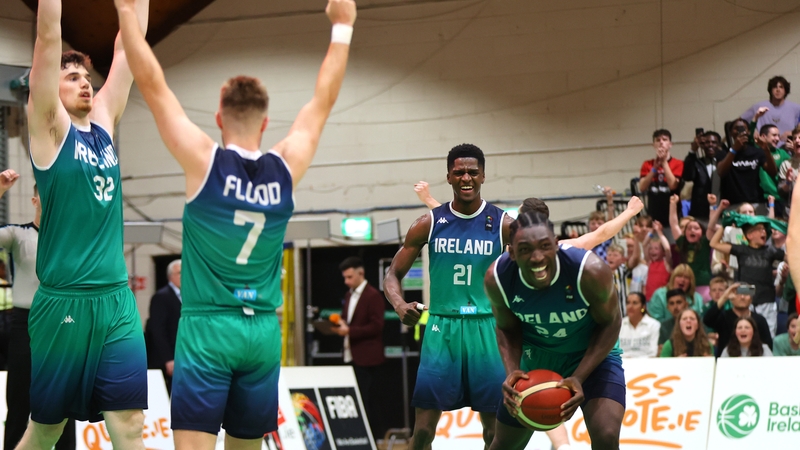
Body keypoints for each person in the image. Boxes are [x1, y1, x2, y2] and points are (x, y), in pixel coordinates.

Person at [116, 0, 356, 447]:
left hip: (209, 326)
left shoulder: (204, 160)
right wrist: (343, 26)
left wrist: (127, 12)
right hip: (262, 331)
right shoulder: (286, 165)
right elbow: (322, 100)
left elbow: (151, 83)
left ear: (218, 118)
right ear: (266, 123)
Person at [20, 0, 150, 448]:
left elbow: (130, 49)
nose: (86, 85)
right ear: (47, 88)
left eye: (88, 79)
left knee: (129, 423)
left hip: (116, 300)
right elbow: (48, 37)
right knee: (47, 431)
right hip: (64, 304)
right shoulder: (49, 128)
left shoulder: (102, 122)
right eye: (72, 77)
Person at [385, 144, 513, 449]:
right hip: (442, 328)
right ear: (449, 177)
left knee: (493, 431)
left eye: (472, 172)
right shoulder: (428, 224)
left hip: (487, 328)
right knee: (424, 431)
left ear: (483, 175)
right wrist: (399, 304)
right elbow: (391, 275)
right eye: (459, 172)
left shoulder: (505, 225)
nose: (466, 177)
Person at [485, 212, 624, 450]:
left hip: (591, 355)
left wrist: (579, 376)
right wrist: (512, 371)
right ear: (511, 252)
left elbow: (611, 323)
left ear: (557, 245)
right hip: (536, 358)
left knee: (607, 434)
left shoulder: (589, 270)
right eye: (526, 249)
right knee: (502, 446)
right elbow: (507, 328)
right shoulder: (497, 278)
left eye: (545, 246)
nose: (537, 257)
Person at [0, 171, 76, 450]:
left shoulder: (72, 239)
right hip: (26, 325)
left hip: (64, 323)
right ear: (35, 200)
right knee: (20, 402)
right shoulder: (17, 234)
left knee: (65, 404)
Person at [333, 256, 385, 437]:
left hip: (367, 358)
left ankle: (373, 438)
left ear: (361, 273)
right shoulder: (349, 295)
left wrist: (350, 331)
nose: (346, 282)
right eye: (345, 278)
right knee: (355, 400)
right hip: (351, 355)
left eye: (350, 277)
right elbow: (350, 323)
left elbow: (377, 326)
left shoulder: (373, 295)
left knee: (367, 400)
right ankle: (358, 437)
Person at [710, 217, 784, 336]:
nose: (764, 232)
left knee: (768, 336)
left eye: (764, 229)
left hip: (766, 299)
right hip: (745, 299)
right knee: (745, 334)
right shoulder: (742, 249)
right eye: (759, 229)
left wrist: (787, 231)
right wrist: (724, 225)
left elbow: (791, 257)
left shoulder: (770, 250)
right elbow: (713, 243)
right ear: (749, 235)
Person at [718, 118, 778, 208]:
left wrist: (766, 149)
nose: (740, 130)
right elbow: (721, 172)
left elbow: (773, 172)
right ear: (730, 133)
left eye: (743, 128)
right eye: (736, 128)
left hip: (756, 202)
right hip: (732, 204)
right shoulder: (724, 153)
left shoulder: (756, 152)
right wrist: (734, 149)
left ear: (749, 132)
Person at [703, 282, 772, 357]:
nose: (742, 297)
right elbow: (707, 320)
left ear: (751, 298)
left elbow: (768, 346)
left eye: (746, 293)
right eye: (738, 293)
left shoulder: (760, 320)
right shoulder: (723, 317)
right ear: (731, 298)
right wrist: (724, 297)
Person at [145, 259, 182, 393]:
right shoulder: (161, 297)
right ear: (170, 276)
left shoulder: (188, 297)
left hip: (182, 356)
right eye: (180, 273)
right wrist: (168, 358)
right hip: (167, 358)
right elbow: (157, 329)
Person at [639, 129, 683, 230]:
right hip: (653, 216)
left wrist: (663, 162)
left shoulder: (678, 163)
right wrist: (654, 169)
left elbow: (673, 185)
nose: (661, 142)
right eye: (658, 140)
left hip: (673, 216)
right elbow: (642, 187)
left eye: (665, 140)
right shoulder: (647, 164)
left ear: (670, 144)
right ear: (653, 144)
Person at [669, 195, 713, 297]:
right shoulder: (682, 242)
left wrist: (712, 205)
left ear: (702, 232)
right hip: (686, 286)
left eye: (696, 228)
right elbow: (674, 224)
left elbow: (712, 225)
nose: (692, 230)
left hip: (703, 285)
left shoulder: (705, 243)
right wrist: (673, 204)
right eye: (689, 228)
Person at [741, 76, 800, 144]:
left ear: (785, 90)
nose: (778, 90)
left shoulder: (796, 108)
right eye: (775, 87)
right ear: (770, 90)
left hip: (788, 148)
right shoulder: (759, 107)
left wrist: (792, 133)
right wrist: (751, 131)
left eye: (781, 87)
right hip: (764, 147)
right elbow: (739, 122)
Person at [683, 131, 723, 220]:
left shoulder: (725, 162)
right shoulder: (697, 162)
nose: (710, 145)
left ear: (719, 145)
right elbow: (687, 176)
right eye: (707, 142)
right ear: (702, 145)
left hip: (722, 211)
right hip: (701, 213)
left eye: (714, 142)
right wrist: (693, 150)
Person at [619, 292, 660, 358]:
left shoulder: (654, 325)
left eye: (634, 303)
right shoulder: (619, 325)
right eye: (628, 303)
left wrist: (635, 360)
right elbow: (614, 352)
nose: (630, 306)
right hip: (622, 363)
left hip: (646, 364)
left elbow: (653, 353)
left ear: (643, 307)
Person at [643, 222, 672, 301]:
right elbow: (644, 244)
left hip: (663, 299)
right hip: (649, 299)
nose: (652, 251)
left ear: (662, 252)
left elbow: (667, 248)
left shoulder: (666, 263)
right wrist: (652, 232)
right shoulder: (650, 263)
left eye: (656, 248)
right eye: (651, 248)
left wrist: (659, 232)